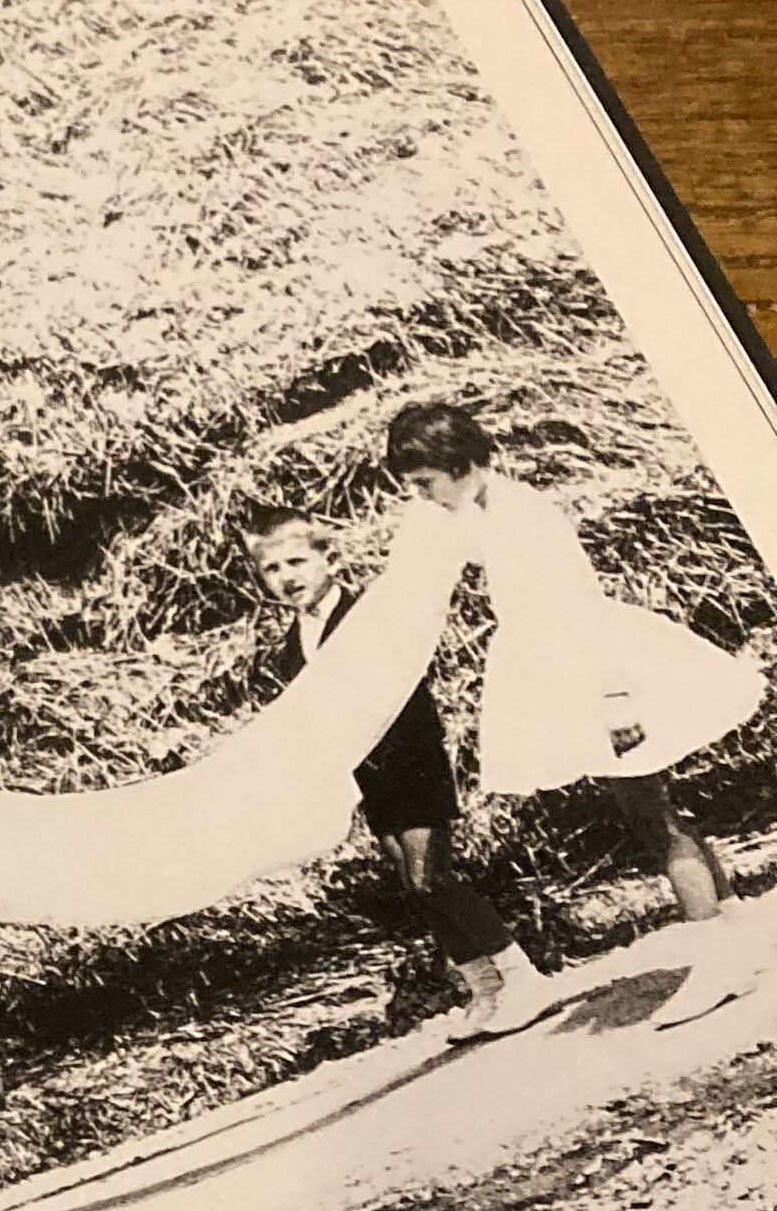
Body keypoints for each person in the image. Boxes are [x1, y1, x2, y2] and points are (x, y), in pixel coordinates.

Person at [381, 402, 751, 950]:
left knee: (652, 816)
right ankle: (734, 921)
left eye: (425, 482)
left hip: (594, 668)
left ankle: (716, 944)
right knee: (649, 807)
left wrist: (615, 698)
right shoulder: (482, 510)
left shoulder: (523, 515)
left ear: (458, 465)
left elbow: (580, 607)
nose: (422, 496)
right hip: (562, 665)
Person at [238, 504, 556, 1040]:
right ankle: (485, 988)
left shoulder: (367, 616)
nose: (286, 576)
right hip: (369, 775)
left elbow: (404, 688)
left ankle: (523, 978)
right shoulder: (292, 645)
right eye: (271, 569)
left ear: (328, 557)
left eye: (297, 561)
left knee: (432, 876)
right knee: (415, 886)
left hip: (410, 758)